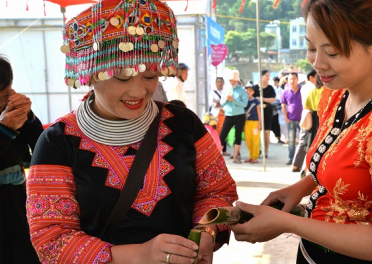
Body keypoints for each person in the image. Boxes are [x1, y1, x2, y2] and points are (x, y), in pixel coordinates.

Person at [228, 0, 372, 263]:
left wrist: (287, 223)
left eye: (331, 52)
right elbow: (346, 160)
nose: (317, 64)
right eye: (311, 48)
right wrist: (302, 186)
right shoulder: (338, 94)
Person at [26, 1, 238, 263]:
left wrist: (206, 230)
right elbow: (51, 238)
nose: (139, 92)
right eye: (123, 78)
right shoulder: (57, 143)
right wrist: (140, 254)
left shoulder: (183, 122)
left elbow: (217, 192)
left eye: (150, 76)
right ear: (90, 74)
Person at [0, 55, 42, 264]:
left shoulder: (11, 108)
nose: (0, 103)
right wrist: (5, 129)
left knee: (23, 249)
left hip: (16, 194)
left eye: (5, 94)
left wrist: (29, 117)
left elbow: (40, 144)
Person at [219, 69, 248, 164]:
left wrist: (233, 100)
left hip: (239, 115)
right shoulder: (226, 90)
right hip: (229, 115)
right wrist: (227, 99)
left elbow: (244, 104)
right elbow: (221, 103)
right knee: (222, 135)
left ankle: (236, 156)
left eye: (233, 80)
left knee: (238, 136)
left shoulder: (242, 90)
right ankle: (217, 156)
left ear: (237, 81)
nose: (231, 82)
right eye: (230, 80)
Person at [292, 69, 318, 172]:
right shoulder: (312, 88)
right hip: (310, 115)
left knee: (304, 141)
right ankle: (302, 166)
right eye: (317, 77)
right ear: (311, 77)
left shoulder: (304, 87)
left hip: (307, 114)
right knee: (307, 141)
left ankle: (297, 164)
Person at [253, 70, 276, 158]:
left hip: (267, 110)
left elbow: (273, 99)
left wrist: (262, 99)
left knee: (266, 132)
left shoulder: (270, 88)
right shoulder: (255, 88)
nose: (268, 77)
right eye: (266, 75)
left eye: (269, 75)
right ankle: (257, 149)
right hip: (257, 111)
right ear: (261, 76)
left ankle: (266, 151)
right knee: (257, 132)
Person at [281, 73, 303, 165]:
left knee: (303, 141)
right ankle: (291, 158)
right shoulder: (285, 92)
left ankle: (302, 159)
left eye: (293, 78)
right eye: (290, 79)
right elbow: (283, 105)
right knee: (291, 140)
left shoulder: (303, 90)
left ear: (297, 79)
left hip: (303, 120)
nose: (292, 81)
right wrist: (286, 118)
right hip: (291, 119)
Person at [209, 77, 227, 154]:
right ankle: (216, 149)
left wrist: (218, 102)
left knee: (224, 131)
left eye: (221, 82)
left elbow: (227, 102)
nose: (220, 83)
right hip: (215, 115)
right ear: (216, 83)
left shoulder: (226, 92)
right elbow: (211, 103)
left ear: (223, 83)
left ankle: (224, 149)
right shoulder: (212, 92)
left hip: (224, 113)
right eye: (218, 82)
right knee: (215, 131)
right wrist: (220, 103)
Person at [243, 83, 261, 164]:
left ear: (253, 92)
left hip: (255, 122)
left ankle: (255, 157)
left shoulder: (256, 101)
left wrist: (259, 123)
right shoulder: (244, 101)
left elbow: (259, 112)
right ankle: (250, 156)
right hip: (247, 122)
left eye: (250, 90)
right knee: (248, 140)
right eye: (247, 90)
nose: (248, 91)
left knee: (255, 140)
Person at [271, 76, 283, 144]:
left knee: (277, 124)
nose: (275, 83)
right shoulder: (272, 89)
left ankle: (279, 138)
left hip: (278, 109)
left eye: (276, 82)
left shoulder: (281, 90)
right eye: (274, 82)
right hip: (271, 108)